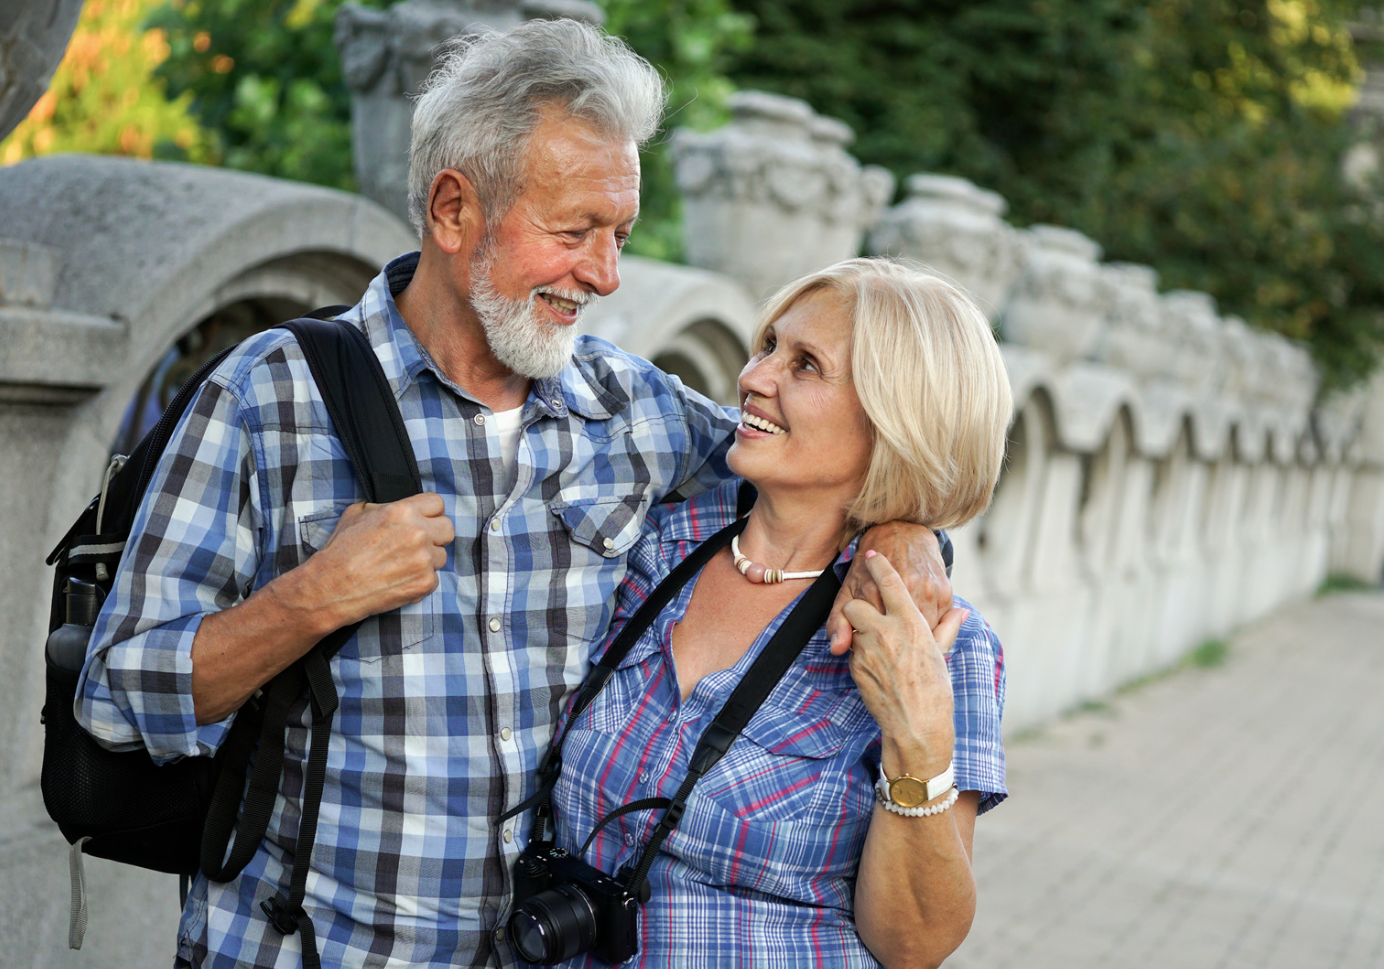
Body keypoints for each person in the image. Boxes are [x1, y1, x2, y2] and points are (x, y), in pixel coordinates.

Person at [75, 20, 949, 969]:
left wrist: (907, 529)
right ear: (454, 211)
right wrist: (314, 596)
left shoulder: (635, 411)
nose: (606, 275)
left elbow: (817, 463)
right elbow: (117, 695)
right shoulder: (266, 395)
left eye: (619, 235)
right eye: (574, 233)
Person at [545, 258, 1012, 968]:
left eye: (806, 365)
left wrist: (918, 746)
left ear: (895, 420)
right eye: (768, 345)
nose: (754, 378)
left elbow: (914, 943)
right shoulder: (657, 544)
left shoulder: (935, 640)